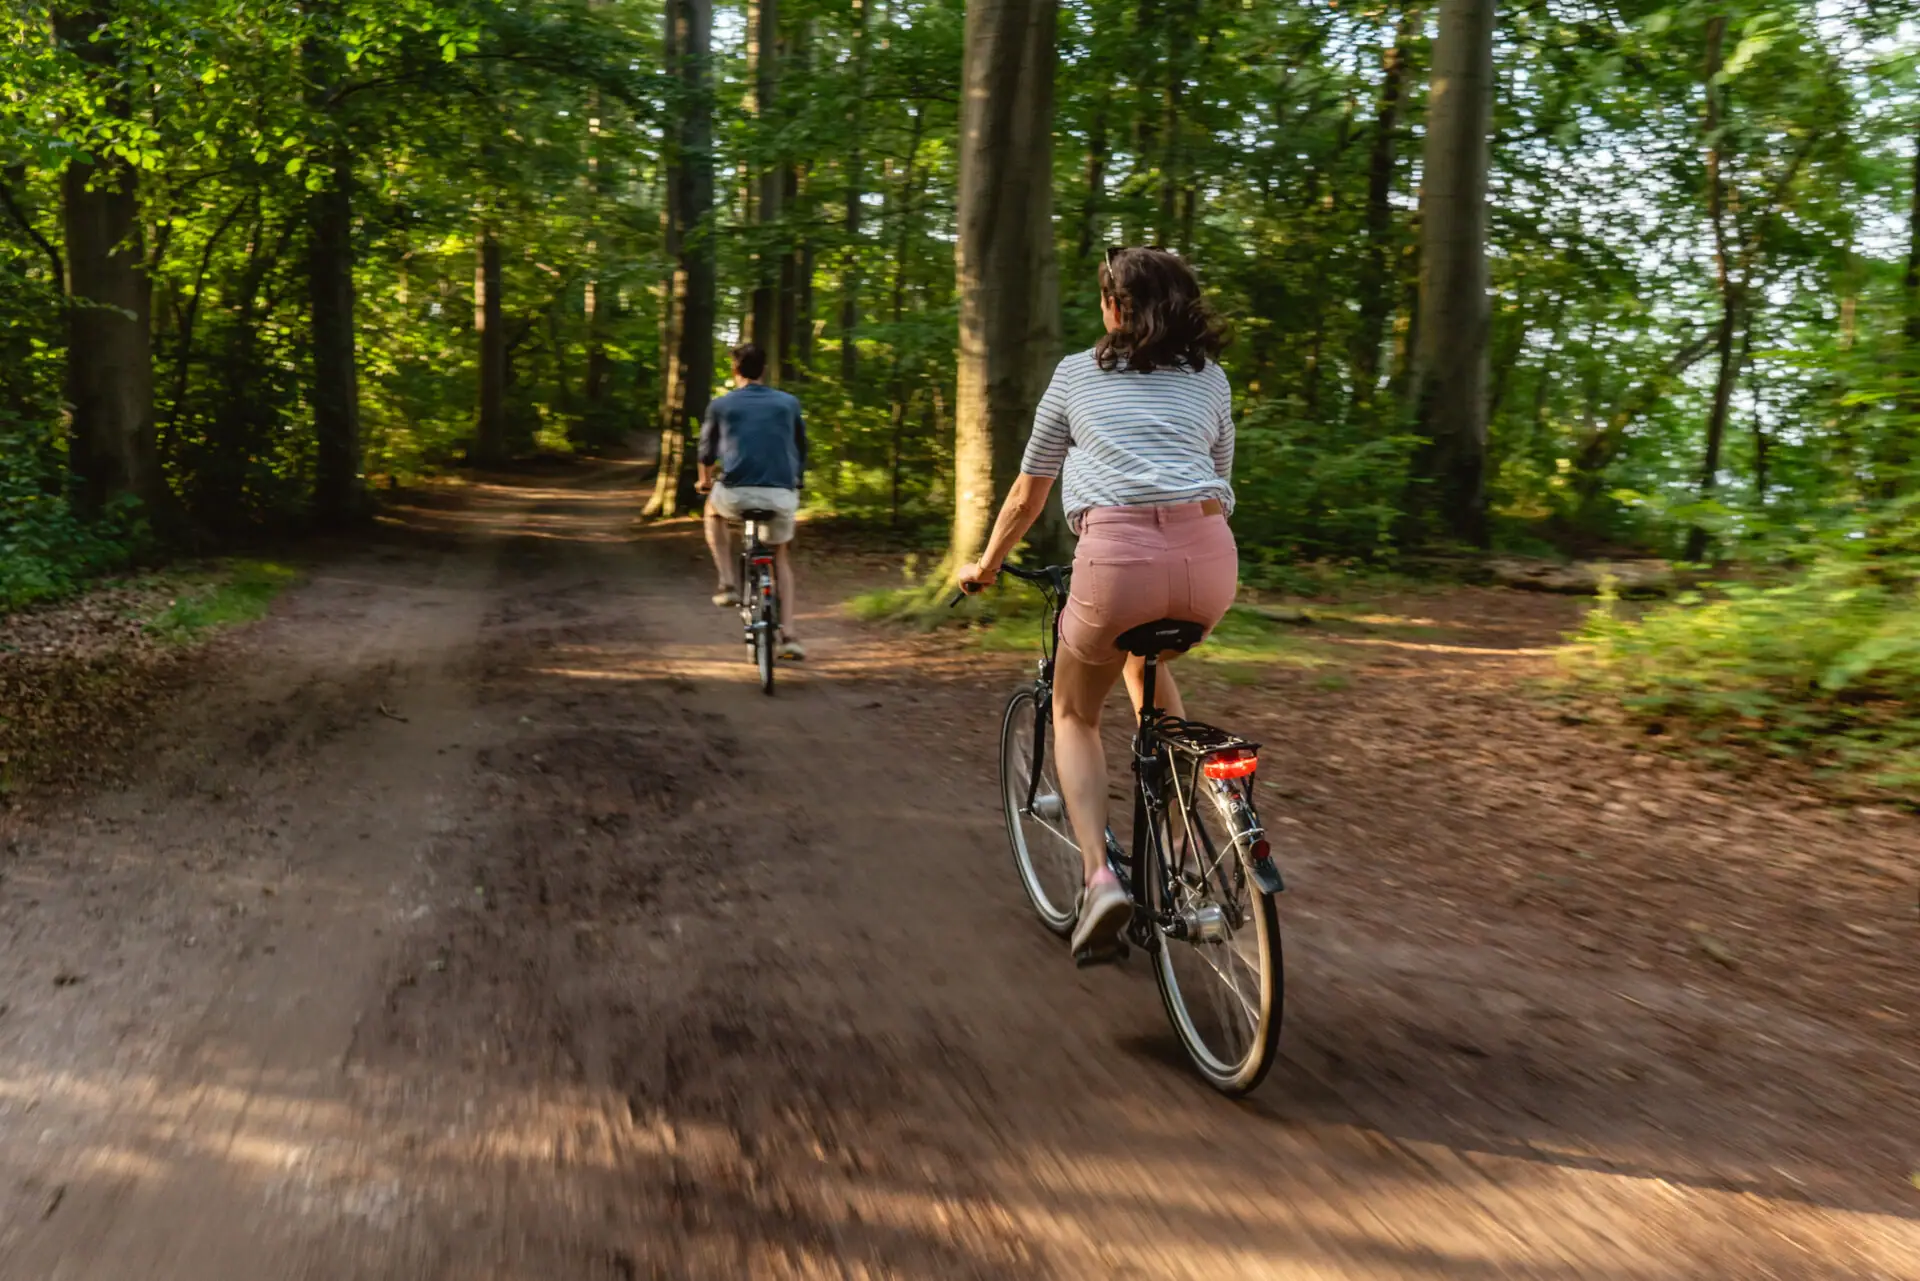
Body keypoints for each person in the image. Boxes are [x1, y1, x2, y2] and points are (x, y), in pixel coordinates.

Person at [959, 247, 1237, 960]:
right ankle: (1180, 848)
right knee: (1147, 665)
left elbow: (1029, 492)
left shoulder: (1078, 372)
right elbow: (1217, 475)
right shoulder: (1211, 378)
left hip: (1116, 566)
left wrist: (986, 565)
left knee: (1075, 711)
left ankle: (1099, 878)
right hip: (1209, 563)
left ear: (1116, 308)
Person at [697, 341, 808, 660]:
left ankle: (727, 583)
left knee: (712, 511)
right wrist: (795, 478)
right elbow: (800, 448)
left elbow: (705, 452)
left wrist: (705, 482)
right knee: (780, 558)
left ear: (735, 371)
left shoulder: (721, 405)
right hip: (781, 495)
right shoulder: (788, 403)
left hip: (735, 493)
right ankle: (789, 635)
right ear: (765, 370)